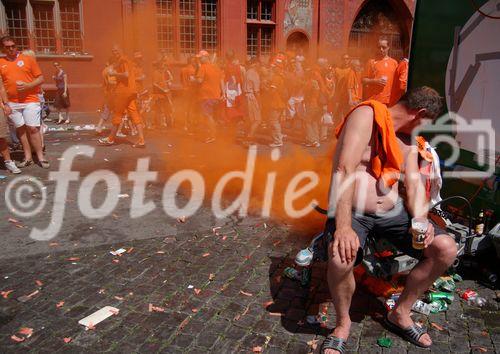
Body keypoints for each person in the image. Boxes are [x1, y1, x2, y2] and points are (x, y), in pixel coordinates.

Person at [321, 87, 457, 353]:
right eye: (428, 121)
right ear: (420, 114)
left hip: (392, 213)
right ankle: (342, 323)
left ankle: (401, 313)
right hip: (354, 212)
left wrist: (421, 219)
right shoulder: (366, 115)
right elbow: (344, 168)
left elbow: (415, 184)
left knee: (445, 249)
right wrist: (344, 226)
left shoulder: (408, 138)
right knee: (340, 259)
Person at [0, 36, 48, 169]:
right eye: (7, 47)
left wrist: (28, 86)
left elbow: (41, 78)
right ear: (3, 48)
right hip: (12, 102)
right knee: (20, 130)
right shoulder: (1, 62)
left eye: (13, 46)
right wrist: (5, 104)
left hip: (30, 100)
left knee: (33, 128)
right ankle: (27, 157)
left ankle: (41, 157)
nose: (11, 49)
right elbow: (1, 86)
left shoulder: (27, 59)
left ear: (16, 46)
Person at [98, 45, 146, 148]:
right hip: (131, 91)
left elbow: (126, 75)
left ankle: (110, 139)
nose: (115, 52)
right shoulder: (127, 61)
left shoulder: (123, 60)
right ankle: (141, 140)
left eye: (116, 50)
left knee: (117, 114)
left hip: (123, 91)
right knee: (134, 114)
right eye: (113, 51)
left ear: (121, 50)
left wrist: (114, 74)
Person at [195, 50, 223, 144]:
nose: (198, 59)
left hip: (206, 96)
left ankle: (212, 136)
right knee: (211, 116)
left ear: (206, 57)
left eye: (200, 58)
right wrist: (223, 93)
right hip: (216, 95)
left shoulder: (203, 67)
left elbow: (199, 81)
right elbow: (221, 80)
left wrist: (193, 79)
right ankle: (211, 133)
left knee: (208, 116)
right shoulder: (215, 67)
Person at [362, 37, 398, 105]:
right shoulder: (371, 62)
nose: (381, 49)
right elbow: (363, 80)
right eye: (379, 47)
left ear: (388, 47)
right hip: (374, 99)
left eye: (383, 47)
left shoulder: (394, 63)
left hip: (390, 100)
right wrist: (375, 81)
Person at [266, 61, 287, 148]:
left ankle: (278, 140)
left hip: (276, 103)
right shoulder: (281, 77)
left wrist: (266, 89)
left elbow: (272, 91)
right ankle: (279, 137)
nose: (272, 68)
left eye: (274, 67)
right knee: (276, 121)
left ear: (277, 68)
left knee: (273, 122)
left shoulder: (276, 78)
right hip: (280, 102)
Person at [242, 57, 261, 145]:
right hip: (251, 97)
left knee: (249, 119)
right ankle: (249, 138)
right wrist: (260, 103)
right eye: (258, 64)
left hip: (245, 96)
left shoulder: (247, 72)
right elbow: (256, 91)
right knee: (257, 120)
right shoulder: (254, 73)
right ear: (256, 63)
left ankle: (246, 138)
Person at [180, 56, 198, 134]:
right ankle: (189, 124)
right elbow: (192, 81)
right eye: (194, 61)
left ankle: (185, 125)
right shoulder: (192, 70)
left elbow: (181, 80)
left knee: (185, 108)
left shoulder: (182, 70)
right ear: (192, 62)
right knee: (191, 108)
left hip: (184, 90)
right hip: (191, 91)